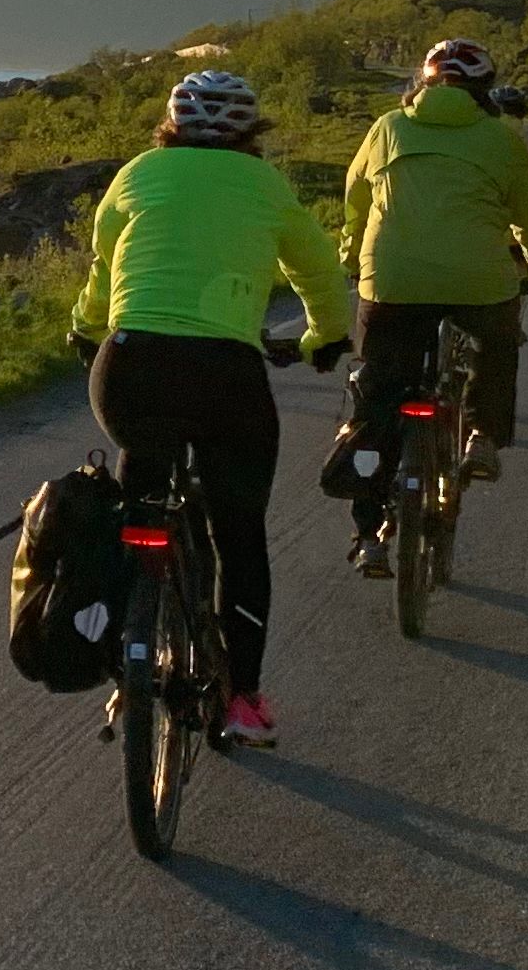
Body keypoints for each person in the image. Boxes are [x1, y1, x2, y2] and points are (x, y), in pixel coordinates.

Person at [69, 66, 342, 747]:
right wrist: (325, 338)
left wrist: (86, 330)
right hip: (226, 378)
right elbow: (319, 274)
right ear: (253, 133)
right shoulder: (268, 186)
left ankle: (121, 669)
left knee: (136, 509)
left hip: (130, 368)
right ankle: (241, 701)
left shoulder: (136, 174)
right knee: (239, 535)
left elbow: (105, 269)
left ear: (170, 126)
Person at [335, 38, 528, 569]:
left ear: (423, 83)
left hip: (391, 283)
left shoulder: (387, 128)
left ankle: (369, 535)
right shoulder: (502, 139)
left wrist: (353, 259)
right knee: (497, 340)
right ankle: (482, 432)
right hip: (478, 281)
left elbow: (356, 200)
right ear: (484, 91)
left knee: (375, 400)